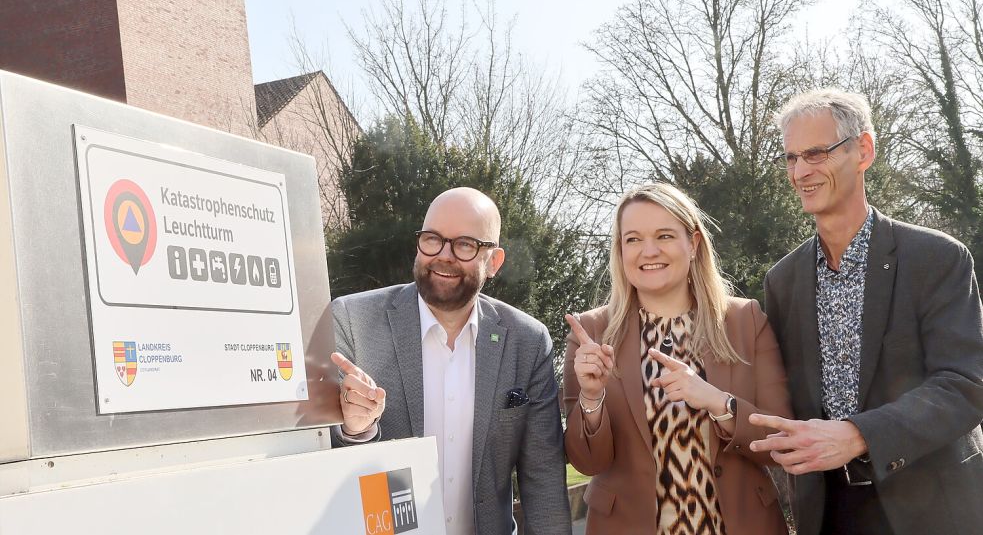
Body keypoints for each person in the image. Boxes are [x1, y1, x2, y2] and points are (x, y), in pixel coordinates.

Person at [750, 88, 983, 535]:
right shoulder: (782, 282)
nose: (800, 171)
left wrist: (859, 434)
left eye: (816, 153)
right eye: (791, 158)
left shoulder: (937, 258)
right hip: (830, 513)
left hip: (934, 509)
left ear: (864, 150)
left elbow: (964, 385)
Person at [328, 187, 571, 535]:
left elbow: (543, 475)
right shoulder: (353, 320)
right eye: (433, 239)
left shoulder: (527, 342)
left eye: (465, 245)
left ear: (494, 262)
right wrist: (356, 428)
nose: (444, 256)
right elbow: (315, 456)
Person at [564, 182, 792, 535]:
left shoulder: (745, 321)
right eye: (633, 239)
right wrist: (591, 398)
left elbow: (779, 440)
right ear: (620, 250)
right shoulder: (592, 332)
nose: (648, 251)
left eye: (665, 236)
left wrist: (718, 403)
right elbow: (587, 461)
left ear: (694, 243)